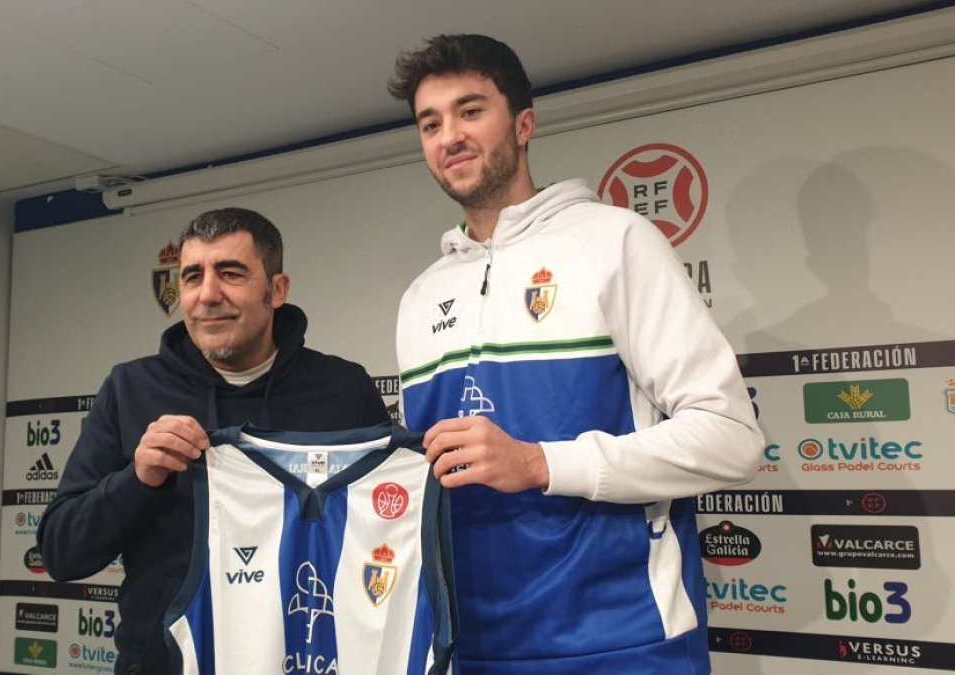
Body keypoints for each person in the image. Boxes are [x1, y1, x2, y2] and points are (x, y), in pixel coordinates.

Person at [388, 34, 765, 674]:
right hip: (464, 648)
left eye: (470, 111)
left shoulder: (616, 241)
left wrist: (539, 463)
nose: (449, 136)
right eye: (431, 123)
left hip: (622, 638)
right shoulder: (421, 297)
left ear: (524, 123)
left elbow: (732, 438)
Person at [37, 207, 390, 675]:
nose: (208, 294)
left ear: (277, 290)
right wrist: (138, 479)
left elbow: (388, 535)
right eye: (192, 276)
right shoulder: (130, 390)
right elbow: (61, 553)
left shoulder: (344, 389)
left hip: (308, 659)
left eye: (231, 273)